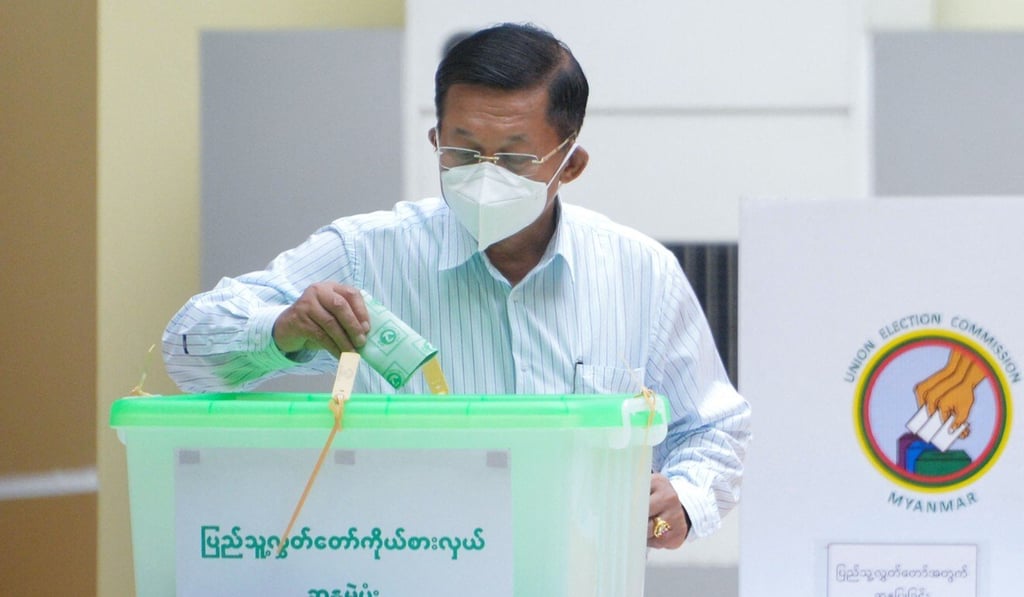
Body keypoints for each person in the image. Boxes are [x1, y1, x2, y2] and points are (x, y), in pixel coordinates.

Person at [162, 22, 750, 549]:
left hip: (575, 575)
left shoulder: (637, 273)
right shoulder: (367, 254)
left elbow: (713, 427)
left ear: (570, 163)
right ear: (435, 141)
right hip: (406, 570)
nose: (484, 176)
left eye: (515, 159)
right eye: (464, 152)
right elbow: (186, 353)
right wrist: (283, 330)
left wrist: (684, 501)